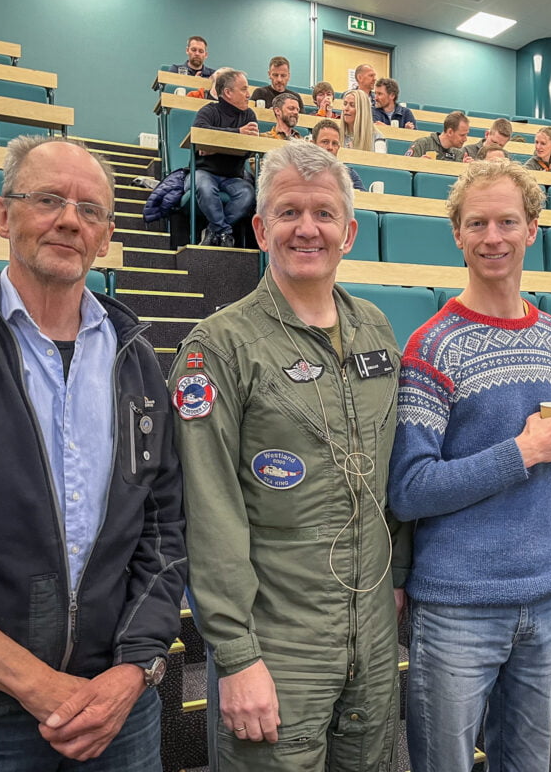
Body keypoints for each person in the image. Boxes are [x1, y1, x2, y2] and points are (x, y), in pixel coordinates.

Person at [0, 136, 187, 771]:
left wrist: (133, 671)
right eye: (48, 199)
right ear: (2, 214)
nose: (69, 220)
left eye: (90, 210)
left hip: (120, 711)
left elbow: (166, 532)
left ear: (107, 236)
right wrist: (39, 685)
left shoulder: (137, 360)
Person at [171, 141, 408, 771]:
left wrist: (396, 584)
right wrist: (236, 656)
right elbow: (209, 511)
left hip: (375, 637)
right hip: (278, 643)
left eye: (325, 214)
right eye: (288, 212)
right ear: (259, 227)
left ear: (350, 232)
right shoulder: (218, 347)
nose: (308, 228)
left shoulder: (378, 330)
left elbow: (387, 480)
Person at [389, 158, 551, 772]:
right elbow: (411, 490)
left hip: (546, 597)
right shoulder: (432, 345)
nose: (492, 237)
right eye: (478, 224)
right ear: (457, 234)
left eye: (507, 221)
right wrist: (520, 452)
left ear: (532, 228)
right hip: (456, 606)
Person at [188, 69, 259, 247]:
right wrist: (237, 134)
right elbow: (200, 138)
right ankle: (225, 232)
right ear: (227, 92)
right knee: (205, 188)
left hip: (233, 176)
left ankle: (213, 230)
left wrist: (216, 146)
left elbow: (249, 149)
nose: (248, 95)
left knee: (248, 195)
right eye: (243, 89)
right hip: (204, 172)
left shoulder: (249, 115)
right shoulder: (208, 111)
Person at [311, 118, 365, 191]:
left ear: (338, 147)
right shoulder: (300, 171)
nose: (330, 147)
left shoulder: (349, 174)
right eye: (325, 142)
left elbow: (363, 198)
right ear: (312, 145)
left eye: (334, 143)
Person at [406, 111, 471, 161]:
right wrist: (418, 164)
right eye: (462, 135)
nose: (465, 139)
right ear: (450, 132)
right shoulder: (422, 144)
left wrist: (465, 168)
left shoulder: (459, 154)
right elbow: (404, 167)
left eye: (466, 134)